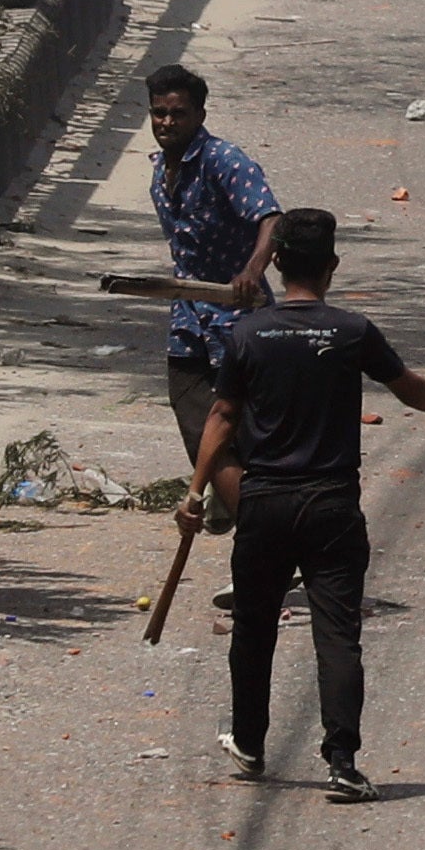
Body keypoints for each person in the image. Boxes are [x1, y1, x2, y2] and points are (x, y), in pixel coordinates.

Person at [188, 207, 425, 800]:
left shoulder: (247, 334)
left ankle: (248, 741)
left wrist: (195, 490)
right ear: (333, 266)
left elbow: (221, 418)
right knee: (337, 634)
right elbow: (406, 385)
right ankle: (342, 762)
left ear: (280, 263)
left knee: (254, 626)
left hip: (263, 503)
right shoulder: (350, 331)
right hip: (331, 506)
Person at [143, 67, 282, 529]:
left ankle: (263, 544)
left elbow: (270, 219)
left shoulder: (224, 161)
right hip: (188, 326)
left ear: (199, 114)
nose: (167, 123)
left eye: (178, 113)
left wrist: (252, 270)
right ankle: (240, 516)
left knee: (238, 437)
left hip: (238, 325)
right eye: (159, 113)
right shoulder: (161, 175)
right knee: (200, 425)